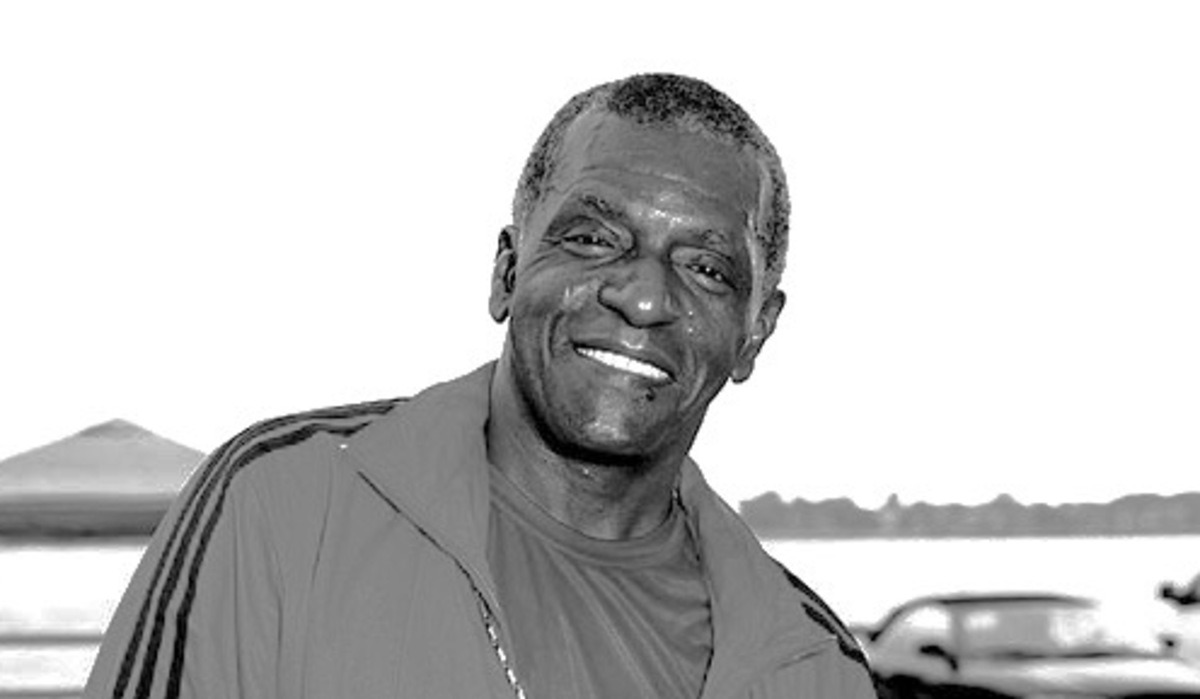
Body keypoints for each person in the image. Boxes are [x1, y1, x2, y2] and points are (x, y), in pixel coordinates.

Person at [84, 73, 877, 699]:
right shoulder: (285, 503)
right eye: (593, 238)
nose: (642, 295)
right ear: (507, 271)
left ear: (754, 331)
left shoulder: (813, 667)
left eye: (705, 266)